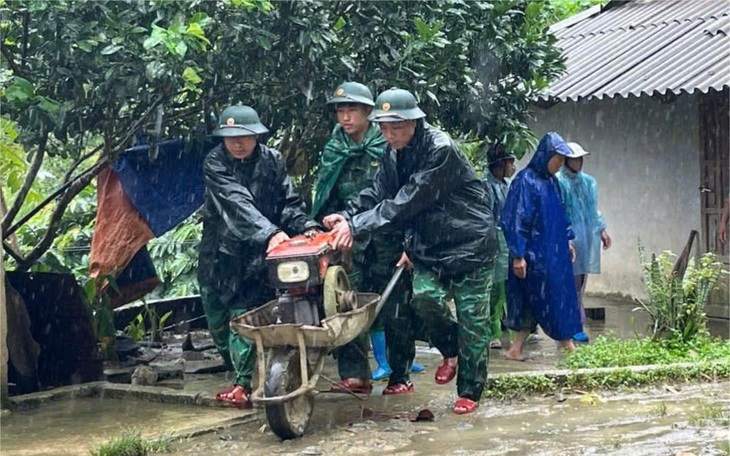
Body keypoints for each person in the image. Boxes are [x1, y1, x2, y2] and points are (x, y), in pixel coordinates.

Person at [324, 88, 498, 415]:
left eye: (398, 127)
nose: (390, 135)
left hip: (469, 244)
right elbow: (378, 191)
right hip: (430, 246)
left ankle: (470, 392)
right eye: (385, 128)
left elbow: (407, 200)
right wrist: (347, 216)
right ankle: (452, 349)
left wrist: (357, 226)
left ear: (415, 122)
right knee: (424, 299)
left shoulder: (440, 150)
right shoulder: (394, 153)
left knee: (474, 319)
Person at [198, 105, 320, 408]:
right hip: (220, 254)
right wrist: (269, 232)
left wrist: (305, 226)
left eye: (244, 136)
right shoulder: (215, 163)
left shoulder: (272, 161)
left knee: (245, 316)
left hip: (260, 256)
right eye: (230, 137)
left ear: (256, 135)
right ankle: (238, 372)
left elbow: (287, 203)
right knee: (217, 318)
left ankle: (242, 383)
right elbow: (236, 203)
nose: (237, 142)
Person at [311, 81, 420, 393]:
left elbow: (402, 197)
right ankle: (355, 374)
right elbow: (326, 191)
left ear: (368, 112)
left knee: (396, 308)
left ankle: (400, 376)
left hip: (388, 237)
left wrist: (408, 241)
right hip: (348, 239)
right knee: (344, 303)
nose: (345, 118)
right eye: (340, 111)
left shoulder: (388, 142)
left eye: (352, 110)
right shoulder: (334, 147)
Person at [501, 132, 581, 362]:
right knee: (548, 298)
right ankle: (568, 346)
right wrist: (518, 255)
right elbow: (516, 219)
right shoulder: (525, 181)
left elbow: (561, 214)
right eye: (558, 158)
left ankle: (516, 349)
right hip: (534, 255)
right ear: (547, 155)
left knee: (543, 299)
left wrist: (567, 240)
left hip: (552, 253)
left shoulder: (551, 182)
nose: (560, 164)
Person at [557, 142, 612, 343]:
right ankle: (571, 323)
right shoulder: (559, 182)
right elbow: (559, 211)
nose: (578, 162)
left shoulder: (588, 182)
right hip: (569, 234)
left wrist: (602, 230)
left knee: (580, 280)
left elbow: (592, 208)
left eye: (580, 158)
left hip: (586, 233)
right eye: (574, 158)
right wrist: (564, 236)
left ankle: (576, 320)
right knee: (569, 281)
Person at [482, 142, 517, 350]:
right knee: (493, 291)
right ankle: (490, 332)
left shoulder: (503, 185)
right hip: (494, 242)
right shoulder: (486, 186)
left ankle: (507, 330)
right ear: (500, 164)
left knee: (504, 289)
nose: (513, 167)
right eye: (510, 162)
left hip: (506, 243)